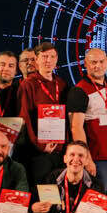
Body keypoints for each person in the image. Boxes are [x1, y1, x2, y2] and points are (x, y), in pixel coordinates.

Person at [66, 48, 107, 192]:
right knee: (100, 195)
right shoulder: (79, 90)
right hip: (97, 157)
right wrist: (87, 158)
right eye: (93, 62)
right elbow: (76, 128)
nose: (98, 66)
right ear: (85, 64)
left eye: (101, 62)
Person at [16, 42, 68, 183]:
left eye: (52, 57)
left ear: (56, 59)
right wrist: (40, 145)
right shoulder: (28, 84)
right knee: (43, 189)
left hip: (60, 150)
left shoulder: (62, 84)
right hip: (39, 152)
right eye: (44, 57)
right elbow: (25, 118)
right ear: (36, 59)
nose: (48, 60)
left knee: (60, 189)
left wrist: (65, 144)